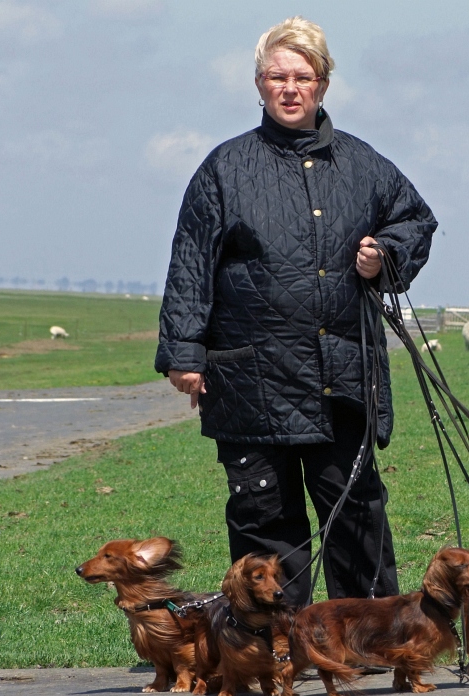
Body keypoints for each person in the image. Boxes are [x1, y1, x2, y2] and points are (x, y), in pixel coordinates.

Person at [154, 17, 437, 606]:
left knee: (355, 508)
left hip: (342, 374)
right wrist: (184, 354)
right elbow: (190, 265)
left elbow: (415, 221)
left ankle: (367, 637)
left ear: (323, 84)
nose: (290, 88)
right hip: (250, 378)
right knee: (264, 516)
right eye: (276, 76)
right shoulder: (223, 169)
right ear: (259, 84)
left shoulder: (364, 165)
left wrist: (382, 255)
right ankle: (277, 645)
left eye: (302, 77)